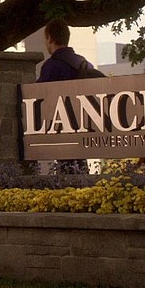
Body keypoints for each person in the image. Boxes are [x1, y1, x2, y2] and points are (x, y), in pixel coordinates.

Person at [37, 19, 90, 174]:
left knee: (66, 174)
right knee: (80, 170)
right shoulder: (84, 64)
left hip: (63, 129)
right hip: (85, 127)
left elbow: (39, 98)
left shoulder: (51, 66)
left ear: (50, 38)